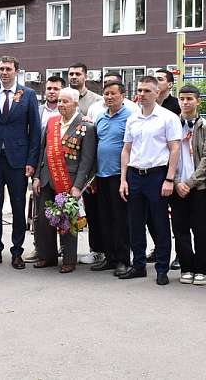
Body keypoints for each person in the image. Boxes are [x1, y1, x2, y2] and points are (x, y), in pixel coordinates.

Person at [0, 56, 41, 269]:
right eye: (1, 69)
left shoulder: (28, 95)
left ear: (17, 71)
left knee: (18, 207)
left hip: (18, 161)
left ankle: (17, 251)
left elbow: (34, 131)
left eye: (8, 69)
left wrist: (32, 161)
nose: (4, 72)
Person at [118, 76, 181, 284]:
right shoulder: (133, 118)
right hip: (135, 175)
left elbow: (174, 149)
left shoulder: (168, 117)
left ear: (157, 93)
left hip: (157, 175)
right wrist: (123, 179)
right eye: (140, 90)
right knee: (135, 223)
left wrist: (169, 179)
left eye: (147, 91)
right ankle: (138, 265)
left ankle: (162, 269)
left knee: (160, 222)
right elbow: (126, 150)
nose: (142, 94)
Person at [32, 88, 97, 273]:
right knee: (44, 221)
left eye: (65, 101)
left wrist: (78, 186)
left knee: (67, 221)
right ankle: (47, 256)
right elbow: (42, 151)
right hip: (46, 178)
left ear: (76, 103)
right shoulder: (51, 123)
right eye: (59, 101)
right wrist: (37, 176)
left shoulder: (86, 126)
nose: (60, 104)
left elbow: (87, 160)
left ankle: (69, 259)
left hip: (68, 180)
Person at [170, 85, 206, 286]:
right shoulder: (171, 124)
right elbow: (165, 153)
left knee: (201, 229)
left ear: (198, 101)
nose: (185, 102)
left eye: (189, 98)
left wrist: (190, 182)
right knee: (179, 228)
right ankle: (186, 266)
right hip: (176, 184)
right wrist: (176, 182)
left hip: (198, 187)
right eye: (182, 98)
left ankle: (202, 268)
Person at [92, 80, 133, 276]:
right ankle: (109, 257)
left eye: (113, 94)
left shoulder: (131, 117)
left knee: (120, 220)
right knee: (105, 219)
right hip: (101, 175)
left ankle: (123, 260)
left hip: (120, 175)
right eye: (106, 93)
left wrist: (126, 178)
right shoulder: (100, 118)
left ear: (122, 96)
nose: (109, 97)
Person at [22, 75, 64, 264]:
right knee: (39, 213)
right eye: (49, 88)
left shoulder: (68, 109)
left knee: (63, 211)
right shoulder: (37, 111)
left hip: (63, 171)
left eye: (56, 89)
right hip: (41, 167)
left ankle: (64, 249)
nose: (52, 92)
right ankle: (40, 248)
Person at [67, 64, 105, 266]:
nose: (74, 77)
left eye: (77, 74)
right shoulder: (63, 97)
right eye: (71, 74)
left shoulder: (96, 102)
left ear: (86, 76)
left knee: (94, 210)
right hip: (66, 164)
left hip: (88, 164)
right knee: (65, 208)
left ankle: (97, 249)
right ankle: (66, 250)